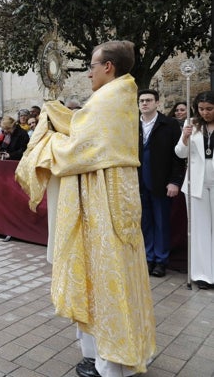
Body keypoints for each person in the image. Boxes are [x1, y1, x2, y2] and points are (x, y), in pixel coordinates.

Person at [15, 40, 155, 377]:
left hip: (104, 204)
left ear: (108, 67)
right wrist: (56, 110)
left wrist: (46, 138)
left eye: (93, 65)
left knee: (107, 275)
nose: (89, 71)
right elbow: (83, 128)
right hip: (105, 197)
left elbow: (77, 149)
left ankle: (111, 360)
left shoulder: (110, 97)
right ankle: (103, 354)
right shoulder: (117, 95)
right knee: (103, 275)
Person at [138, 89, 183, 278]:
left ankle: (161, 260)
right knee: (145, 222)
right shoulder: (133, 125)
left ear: (157, 102)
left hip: (161, 182)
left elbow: (177, 157)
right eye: (141, 101)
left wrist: (175, 181)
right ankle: (148, 258)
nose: (144, 104)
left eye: (148, 100)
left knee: (161, 223)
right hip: (139, 183)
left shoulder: (170, 124)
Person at [175, 90, 214, 290]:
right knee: (199, 230)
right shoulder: (192, 125)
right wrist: (184, 137)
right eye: (201, 109)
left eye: (209, 109)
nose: (205, 113)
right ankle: (203, 275)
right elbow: (180, 153)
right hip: (196, 184)